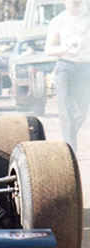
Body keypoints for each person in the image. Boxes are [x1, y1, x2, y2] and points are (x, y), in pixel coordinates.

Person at [45, 0, 90, 152]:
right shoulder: (58, 21)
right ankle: (71, 150)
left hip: (84, 67)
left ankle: (69, 136)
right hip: (65, 66)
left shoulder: (87, 19)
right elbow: (48, 49)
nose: (74, 3)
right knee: (65, 109)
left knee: (82, 109)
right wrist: (64, 48)